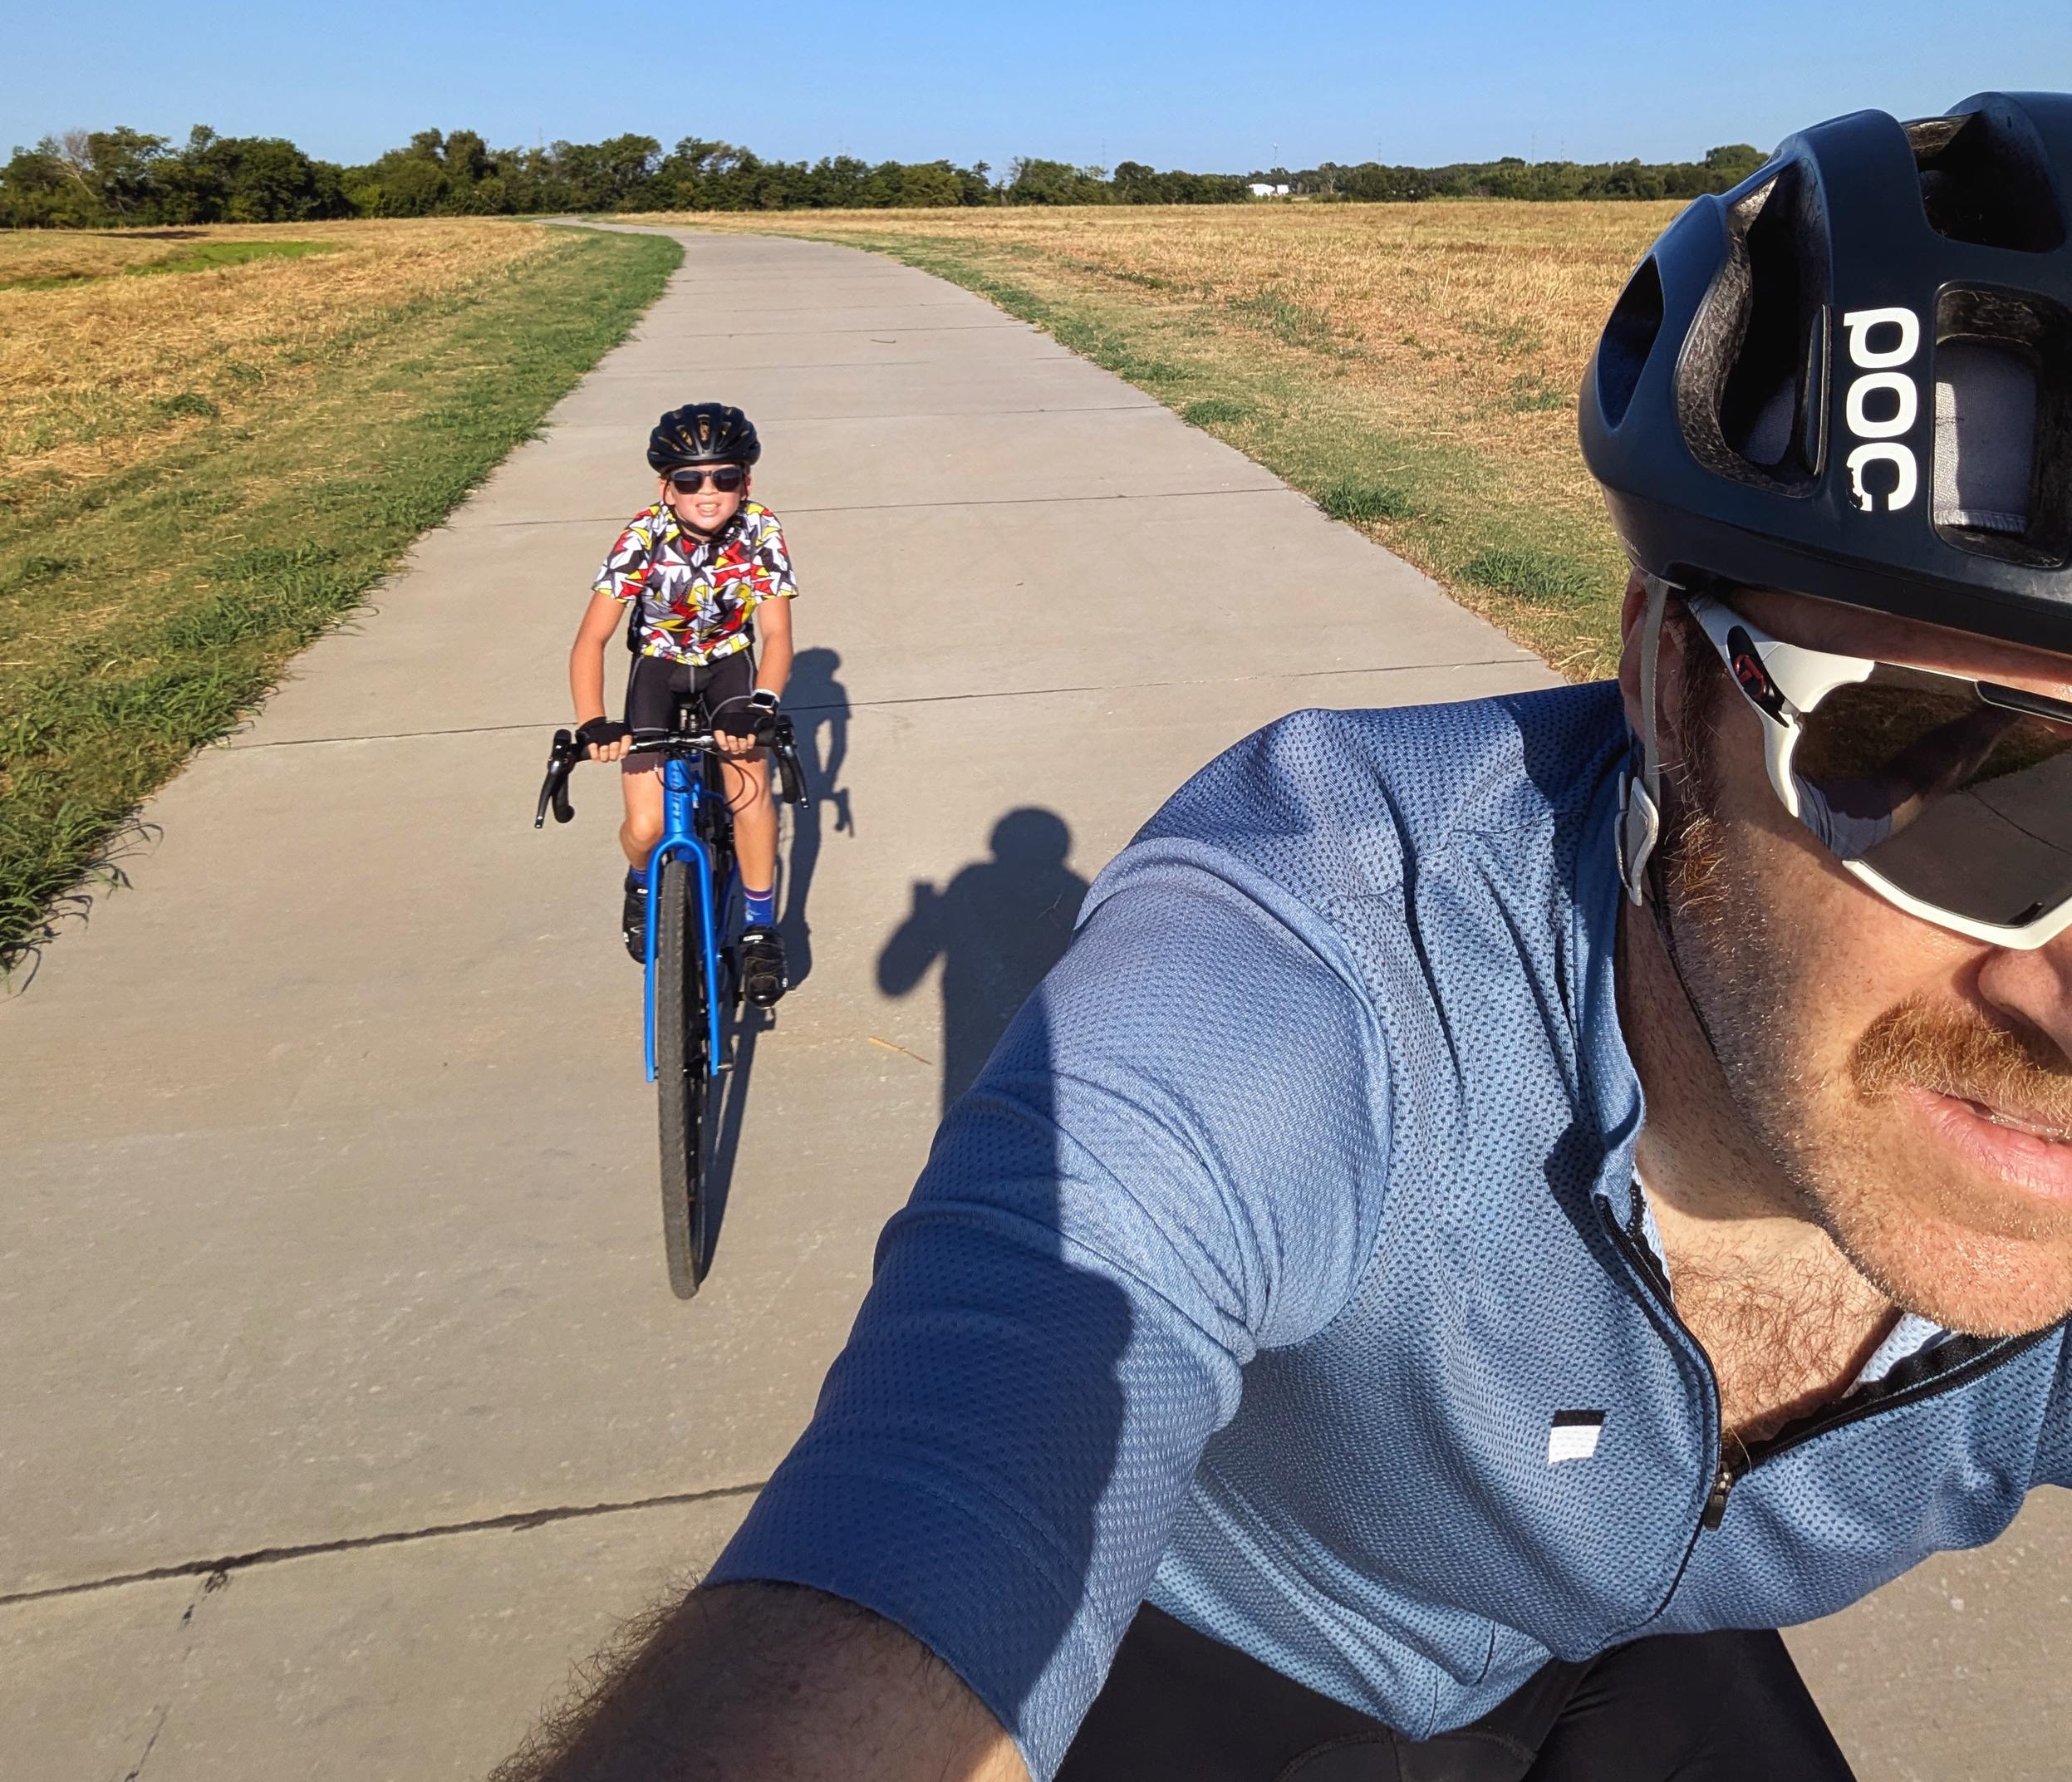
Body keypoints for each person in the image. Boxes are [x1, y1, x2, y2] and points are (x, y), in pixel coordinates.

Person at [503, 95, 2072, 1782]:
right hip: (1223, 1644)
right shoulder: (1312, 951)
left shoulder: (759, 551)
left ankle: (743, 916)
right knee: (677, 783)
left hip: (1618, 1654)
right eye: (1956, 766)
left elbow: (781, 634)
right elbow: (955, 1470)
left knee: (748, 777)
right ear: (1665, 682)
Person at [567, 402, 797, 1009]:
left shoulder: (761, 530)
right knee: (646, 825)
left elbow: (777, 634)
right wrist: (593, 721)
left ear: (746, 482)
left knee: (750, 788)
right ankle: (644, 883)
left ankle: (757, 924)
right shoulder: (641, 536)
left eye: (725, 477)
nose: (708, 492)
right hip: (659, 668)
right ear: (665, 487)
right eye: (690, 479)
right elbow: (590, 638)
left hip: (729, 665)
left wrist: (764, 705)